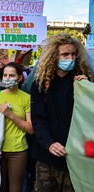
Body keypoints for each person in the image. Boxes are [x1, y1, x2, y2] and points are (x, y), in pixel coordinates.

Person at [31, 33, 93, 191]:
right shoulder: (40, 84)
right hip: (46, 156)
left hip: (75, 157)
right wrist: (49, 143)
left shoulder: (82, 82)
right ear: (54, 56)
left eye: (73, 54)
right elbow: (38, 119)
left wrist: (85, 87)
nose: (70, 58)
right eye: (65, 54)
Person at [0, 62, 33, 192]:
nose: (7, 78)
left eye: (11, 75)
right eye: (5, 75)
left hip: (18, 150)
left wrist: (10, 114)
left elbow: (30, 129)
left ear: (19, 78)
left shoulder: (26, 98)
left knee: (15, 188)